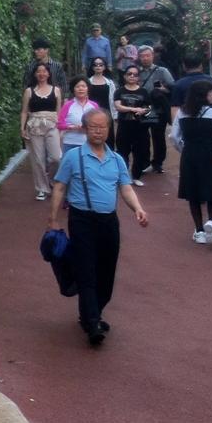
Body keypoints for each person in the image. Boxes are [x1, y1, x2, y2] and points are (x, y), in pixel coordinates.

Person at [49, 107, 148, 346]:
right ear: (85, 129)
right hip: (82, 220)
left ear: (109, 129)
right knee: (86, 269)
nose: (98, 131)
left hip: (108, 221)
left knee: (106, 271)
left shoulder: (117, 159)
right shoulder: (74, 157)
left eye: (102, 127)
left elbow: (125, 187)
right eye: (93, 127)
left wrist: (137, 208)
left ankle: (92, 312)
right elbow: (60, 187)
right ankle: (92, 322)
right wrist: (53, 218)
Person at [170, 79, 212, 245]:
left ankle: (199, 230)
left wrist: (184, 149)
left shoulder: (182, 112)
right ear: (204, 95)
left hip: (189, 154)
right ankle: (211, 221)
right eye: (211, 92)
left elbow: (174, 137)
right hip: (208, 153)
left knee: (193, 193)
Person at [20, 61, 62, 201]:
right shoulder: (29, 91)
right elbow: (24, 111)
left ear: (49, 74)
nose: (41, 74)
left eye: (44, 71)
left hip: (52, 125)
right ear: (35, 74)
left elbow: (59, 111)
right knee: (38, 159)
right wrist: (22, 128)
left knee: (56, 158)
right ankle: (41, 189)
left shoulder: (56, 90)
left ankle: (51, 180)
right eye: (39, 71)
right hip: (34, 126)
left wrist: (60, 127)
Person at [135, 45, 175, 176]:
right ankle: (144, 162)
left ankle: (158, 162)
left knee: (158, 136)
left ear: (153, 56)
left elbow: (172, 87)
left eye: (148, 55)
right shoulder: (136, 72)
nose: (145, 58)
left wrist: (162, 90)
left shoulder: (162, 71)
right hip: (143, 107)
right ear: (139, 57)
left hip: (158, 107)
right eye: (142, 56)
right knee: (142, 136)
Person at [113, 63, 151, 183]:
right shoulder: (119, 91)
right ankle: (123, 177)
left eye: (135, 74)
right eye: (129, 74)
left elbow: (149, 107)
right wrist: (134, 109)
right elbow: (118, 107)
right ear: (125, 76)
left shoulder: (144, 91)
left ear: (138, 77)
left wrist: (144, 111)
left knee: (140, 152)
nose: (132, 76)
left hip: (140, 127)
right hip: (124, 126)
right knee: (122, 151)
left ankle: (136, 176)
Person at [57, 76, 95, 150]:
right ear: (73, 89)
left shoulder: (94, 105)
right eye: (77, 86)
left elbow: (98, 123)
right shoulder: (67, 105)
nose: (81, 89)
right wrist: (71, 127)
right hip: (70, 142)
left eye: (83, 86)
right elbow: (59, 124)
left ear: (88, 88)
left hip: (89, 142)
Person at [87, 58, 117, 147]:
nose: (98, 66)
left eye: (101, 64)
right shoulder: (87, 82)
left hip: (107, 114)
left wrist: (115, 115)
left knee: (108, 139)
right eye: (95, 64)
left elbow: (113, 100)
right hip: (91, 113)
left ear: (104, 67)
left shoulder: (110, 83)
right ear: (92, 67)